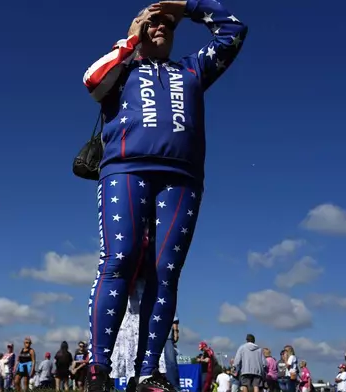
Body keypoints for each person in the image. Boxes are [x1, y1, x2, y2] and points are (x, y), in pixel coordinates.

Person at [81, 0, 248, 390]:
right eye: (153, 23)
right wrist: (130, 39)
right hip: (126, 169)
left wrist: (188, 6)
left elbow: (234, 31)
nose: (162, 28)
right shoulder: (121, 67)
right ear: (137, 28)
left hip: (182, 178)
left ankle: (148, 372)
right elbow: (92, 82)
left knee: (165, 272)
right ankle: (99, 370)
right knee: (120, 258)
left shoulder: (192, 68)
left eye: (168, 26)